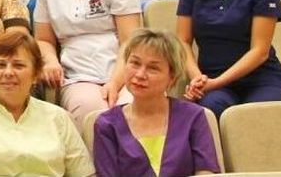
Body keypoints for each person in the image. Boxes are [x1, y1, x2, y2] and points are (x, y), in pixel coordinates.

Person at [0, 30, 94, 177]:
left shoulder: (58, 117)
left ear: (35, 74)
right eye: (0, 65)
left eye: (18, 65)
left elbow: (84, 173)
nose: (8, 72)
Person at [94, 29, 221, 177]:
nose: (140, 75)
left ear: (172, 78)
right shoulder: (107, 125)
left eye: (153, 68)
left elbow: (205, 171)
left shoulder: (193, 116)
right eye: (135, 63)